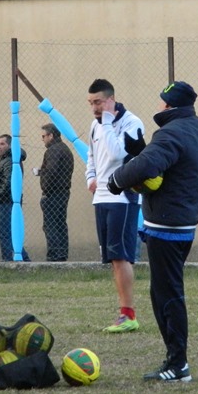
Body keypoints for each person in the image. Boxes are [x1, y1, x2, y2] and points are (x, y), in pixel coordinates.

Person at [108, 81, 198, 382]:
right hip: (183, 222)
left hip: (166, 225)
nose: (159, 107)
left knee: (167, 295)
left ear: (170, 107)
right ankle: (175, 360)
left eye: (162, 102)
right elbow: (171, 165)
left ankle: (177, 364)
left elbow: (151, 166)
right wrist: (141, 150)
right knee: (168, 290)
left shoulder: (171, 133)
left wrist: (117, 180)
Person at [86, 78, 145, 332]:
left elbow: (116, 154)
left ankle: (128, 314)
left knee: (121, 257)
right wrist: (90, 177)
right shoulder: (94, 125)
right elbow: (93, 154)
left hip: (123, 197)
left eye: (98, 102)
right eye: (91, 103)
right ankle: (123, 311)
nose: (94, 108)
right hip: (101, 197)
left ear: (111, 100)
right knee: (112, 258)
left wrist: (109, 122)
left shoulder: (132, 123)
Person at [0, 134, 30, 261]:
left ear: (9, 145)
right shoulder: (7, 159)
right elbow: (4, 174)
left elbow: (7, 184)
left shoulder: (11, 159)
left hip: (7, 201)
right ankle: (23, 260)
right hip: (7, 201)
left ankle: (9, 261)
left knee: (5, 234)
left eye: (2, 144)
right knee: (10, 234)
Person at [38, 123, 74, 261]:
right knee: (60, 224)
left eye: (43, 136)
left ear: (51, 135)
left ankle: (53, 257)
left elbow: (51, 172)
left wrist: (45, 189)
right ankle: (62, 254)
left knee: (50, 225)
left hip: (53, 194)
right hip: (63, 192)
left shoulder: (52, 151)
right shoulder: (65, 149)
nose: (42, 139)